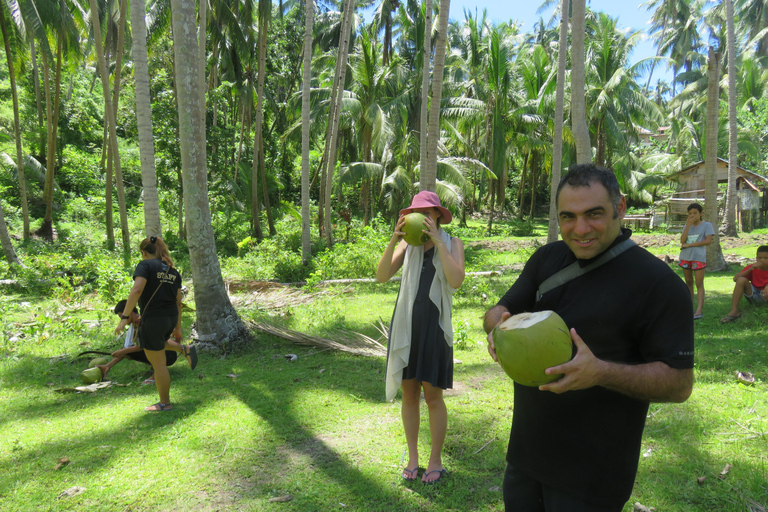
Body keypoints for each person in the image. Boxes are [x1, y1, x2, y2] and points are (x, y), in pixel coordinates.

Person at [483, 164, 694, 511]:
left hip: (593, 476)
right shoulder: (548, 258)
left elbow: (679, 384)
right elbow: (501, 307)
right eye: (568, 217)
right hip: (526, 456)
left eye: (594, 214)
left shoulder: (658, 284)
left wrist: (601, 372)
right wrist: (497, 327)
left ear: (620, 207)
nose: (580, 229)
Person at [376, 190, 465, 484]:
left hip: (434, 328)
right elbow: (382, 275)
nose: (423, 219)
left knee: (433, 396)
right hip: (407, 327)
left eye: (428, 214)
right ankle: (413, 459)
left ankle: (435, 460)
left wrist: (439, 242)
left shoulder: (453, 244)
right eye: (418, 214)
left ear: (438, 215)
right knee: (410, 394)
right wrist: (394, 238)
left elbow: (455, 280)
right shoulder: (407, 245)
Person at [115, 236, 196, 412]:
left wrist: (124, 318)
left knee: (158, 364)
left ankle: (164, 403)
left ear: (144, 252)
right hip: (170, 317)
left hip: (154, 318)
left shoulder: (144, 266)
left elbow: (137, 290)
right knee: (157, 343)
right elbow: (178, 301)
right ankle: (184, 349)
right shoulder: (173, 271)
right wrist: (177, 327)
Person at [97, 299, 196, 383]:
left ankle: (156, 373)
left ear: (129, 312)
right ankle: (155, 368)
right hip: (162, 349)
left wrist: (123, 352)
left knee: (145, 346)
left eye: (121, 316)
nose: (121, 320)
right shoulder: (133, 326)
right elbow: (127, 348)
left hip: (168, 354)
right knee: (130, 351)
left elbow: (142, 345)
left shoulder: (144, 321)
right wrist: (109, 365)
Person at [678, 202, 714, 320]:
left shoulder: (707, 225)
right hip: (685, 257)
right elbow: (682, 241)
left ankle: (699, 310)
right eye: (690, 214)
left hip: (698, 258)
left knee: (699, 283)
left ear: (701, 213)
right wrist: (688, 225)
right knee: (688, 281)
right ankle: (689, 307)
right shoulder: (687, 226)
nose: (692, 215)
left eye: (695, 213)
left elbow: (708, 241)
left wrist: (690, 245)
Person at [720, 245, 768, 323]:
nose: (762, 260)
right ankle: (734, 310)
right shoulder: (752, 267)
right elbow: (735, 279)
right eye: (759, 258)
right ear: (756, 258)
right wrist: (750, 269)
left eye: (766, 258)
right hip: (754, 294)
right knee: (741, 280)